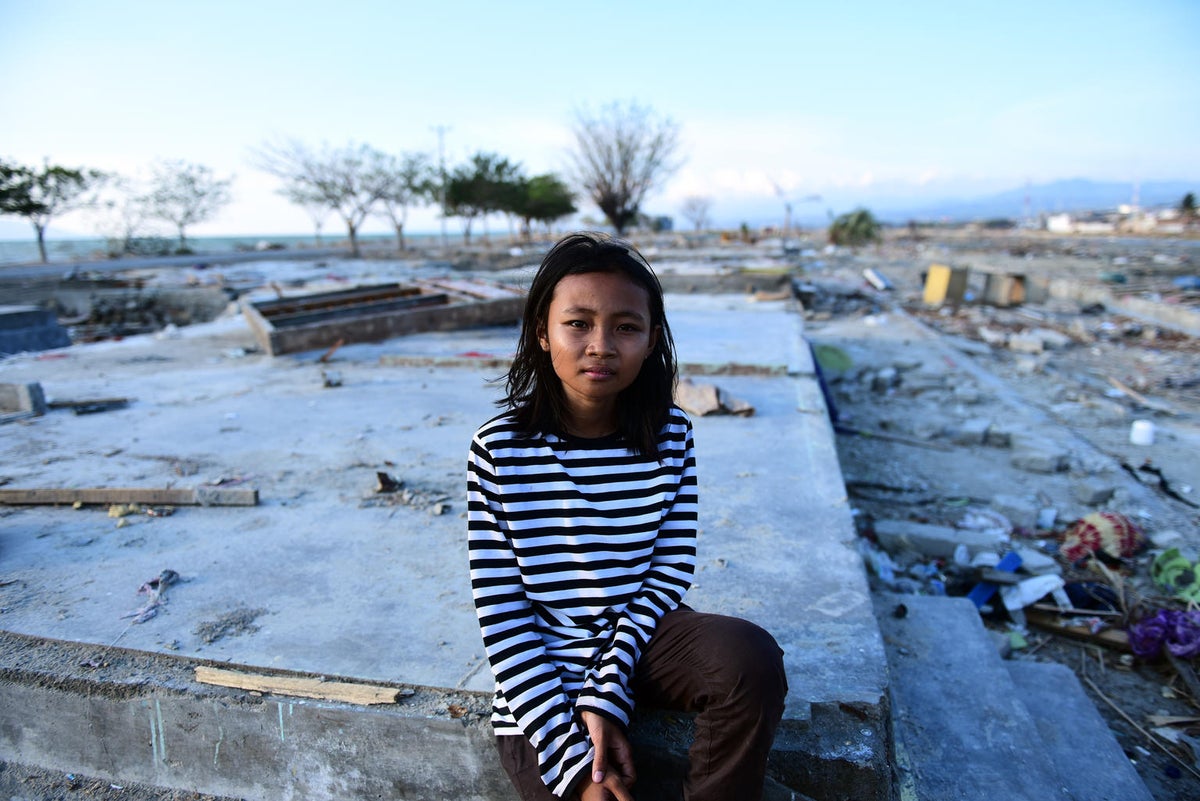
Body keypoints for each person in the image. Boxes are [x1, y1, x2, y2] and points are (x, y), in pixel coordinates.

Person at [467, 231, 787, 801]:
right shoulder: (499, 450)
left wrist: (608, 687)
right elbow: (505, 618)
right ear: (542, 332)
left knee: (748, 658)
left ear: (650, 339)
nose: (601, 345)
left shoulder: (671, 436)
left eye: (626, 326)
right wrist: (573, 756)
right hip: (545, 673)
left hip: (643, 643)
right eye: (578, 323)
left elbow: (667, 573)